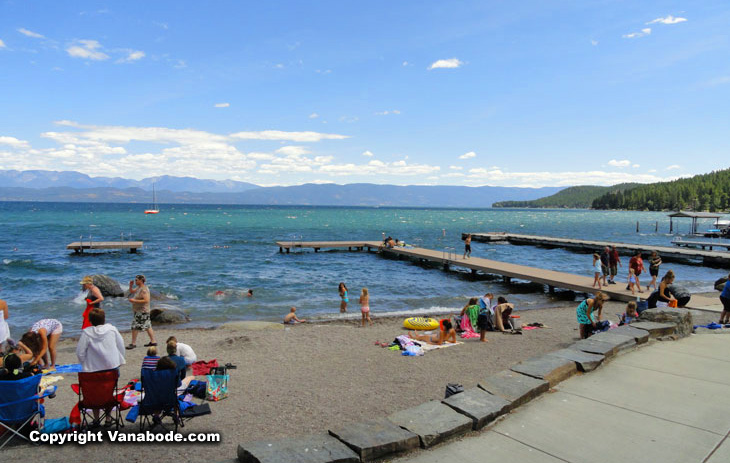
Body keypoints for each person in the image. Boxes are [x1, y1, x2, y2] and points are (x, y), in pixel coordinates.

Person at [76, 308, 126, 373]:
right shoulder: (112, 329)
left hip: (93, 368)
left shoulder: (87, 333)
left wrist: (84, 363)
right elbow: (120, 345)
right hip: (112, 366)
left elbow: (80, 352)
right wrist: (119, 359)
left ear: (90, 321)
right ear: (104, 319)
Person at [127, 274, 156, 350]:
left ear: (140, 280)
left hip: (142, 311)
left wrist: (134, 300)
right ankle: (153, 341)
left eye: (136, 280)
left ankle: (133, 343)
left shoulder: (144, 289)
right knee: (147, 326)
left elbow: (146, 300)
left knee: (135, 326)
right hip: (140, 310)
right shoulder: (139, 287)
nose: (135, 281)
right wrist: (130, 285)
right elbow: (132, 291)